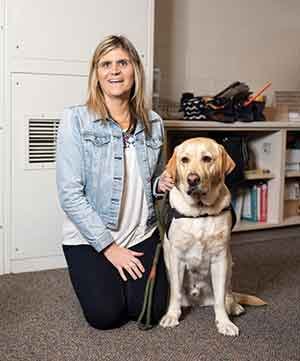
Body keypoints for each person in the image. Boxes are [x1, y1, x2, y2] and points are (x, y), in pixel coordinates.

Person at [56, 35, 174, 330]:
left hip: (140, 233)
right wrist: (109, 248)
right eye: (105, 64)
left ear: (135, 69)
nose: (115, 71)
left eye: (123, 62)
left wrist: (161, 184)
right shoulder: (75, 120)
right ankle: (101, 272)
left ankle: (120, 282)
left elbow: (152, 180)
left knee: (148, 312)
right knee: (105, 316)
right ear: (96, 73)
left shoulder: (154, 123)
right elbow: (70, 195)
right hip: (92, 237)